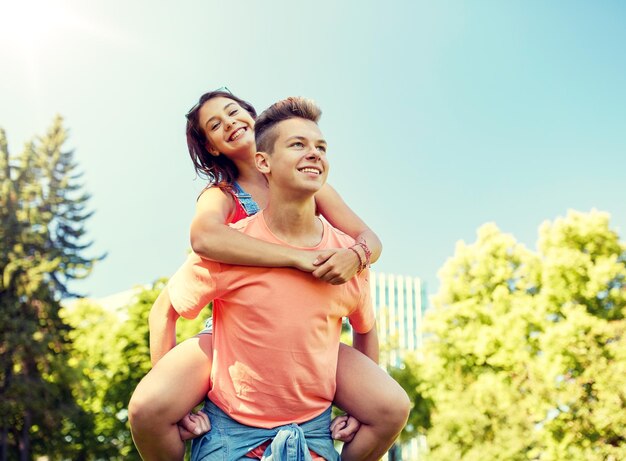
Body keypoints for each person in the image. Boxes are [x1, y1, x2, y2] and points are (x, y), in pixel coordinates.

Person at [128, 91, 410, 460]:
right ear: (212, 147)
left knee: (390, 403)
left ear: (252, 117)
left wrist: (354, 257)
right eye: (216, 125)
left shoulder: (311, 181)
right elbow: (204, 238)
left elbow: (369, 241)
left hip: (312, 326)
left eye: (233, 112)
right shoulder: (222, 195)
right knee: (150, 406)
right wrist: (296, 259)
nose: (229, 123)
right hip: (237, 326)